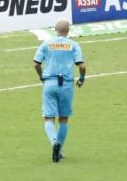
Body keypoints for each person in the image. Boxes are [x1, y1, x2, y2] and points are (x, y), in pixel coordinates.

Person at [33, 18, 86, 163]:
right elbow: (81, 66)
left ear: (55, 30)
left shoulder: (46, 43)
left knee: (48, 118)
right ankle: (59, 150)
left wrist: (41, 77)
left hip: (50, 83)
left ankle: (54, 142)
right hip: (67, 85)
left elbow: (36, 64)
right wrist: (81, 78)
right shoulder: (73, 45)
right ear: (68, 31)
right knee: (63, 118)